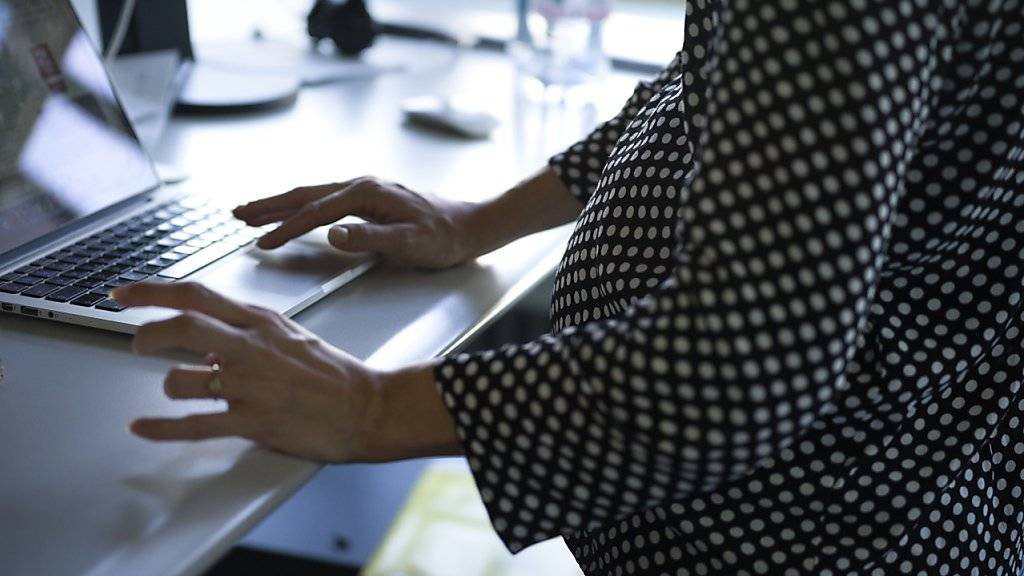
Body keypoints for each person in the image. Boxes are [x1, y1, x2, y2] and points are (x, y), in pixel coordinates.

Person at [112, 0, 1024, 574]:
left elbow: (742, 368)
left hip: (832, 527)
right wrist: (482, 221)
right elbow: (705, 92)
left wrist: (365, 409)